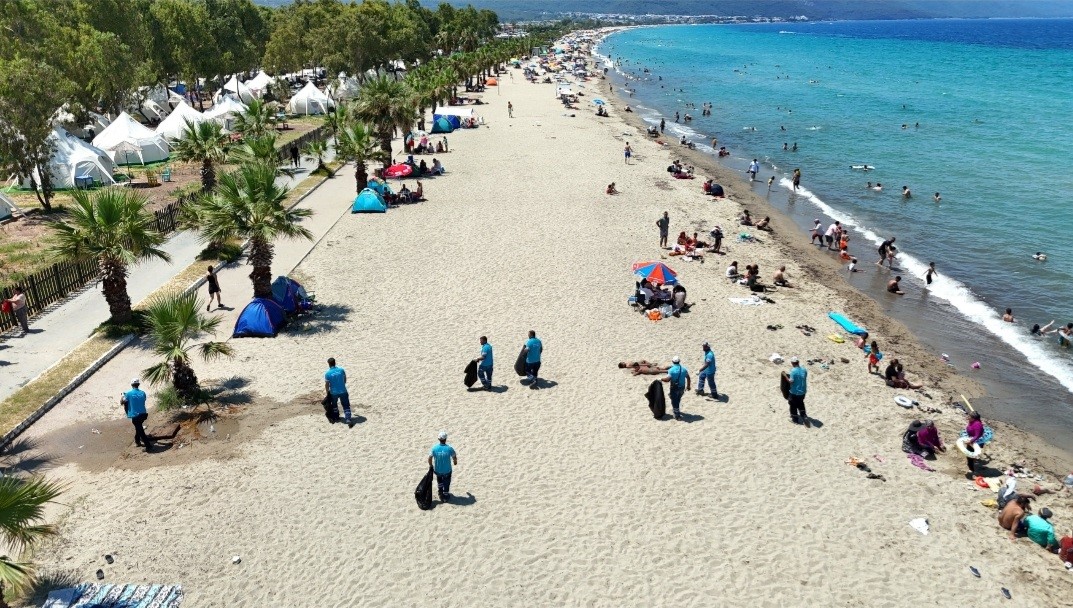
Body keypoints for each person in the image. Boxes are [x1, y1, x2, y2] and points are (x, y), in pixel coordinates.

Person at [122, 378, 152, 451]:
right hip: (143, 414)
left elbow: (122, 402)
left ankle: (148, 446)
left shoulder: (128, 394)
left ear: (131, 385)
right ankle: (137, 441)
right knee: (138, 428)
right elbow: (142, 400)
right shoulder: (143, 393)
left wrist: (123, 396)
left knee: (141, 431)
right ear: (138, 384)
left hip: (135, 416)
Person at [428, 431, 458, 502]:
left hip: (438, 470)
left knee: (439, 481)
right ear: (445, 439)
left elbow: (429, 458)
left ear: (439, 439)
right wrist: (455, 462)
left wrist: (431, 465)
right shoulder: (449, 448)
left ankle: (440, 492)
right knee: (447, 482)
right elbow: (454, 457)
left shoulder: (434, 448)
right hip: (447, 470)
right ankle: (445, 494)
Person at [324, 357, 353, 427]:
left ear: (329, 364)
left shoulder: (327, 373)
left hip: (333, 392)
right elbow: (345, 380)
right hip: (343, 390)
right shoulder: (341, 370)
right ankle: (348, 419)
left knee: (334, 405)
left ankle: (337, 417)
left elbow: (327, 384)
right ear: (335, 362)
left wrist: (327, 392)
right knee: (346, 405)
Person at [662, 356, 691, 421]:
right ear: (679, 361)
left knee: (674, 401)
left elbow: (667, 379)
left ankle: (677, 415)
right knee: (678, 399)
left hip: (674, 388)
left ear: (672, 362)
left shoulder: (671, 370)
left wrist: (662, 379)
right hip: (682, 387)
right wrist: (688, 386)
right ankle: (676, 408)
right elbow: (688, 378)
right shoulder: (684, 369)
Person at [784, 357, 809, 426]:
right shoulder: (804, 369)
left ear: (792, 363)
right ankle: (804, 415)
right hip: (803, 391)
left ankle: (795, 419)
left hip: (794, 392)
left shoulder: (793, 371)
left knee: (792, 405)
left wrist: (785, 376)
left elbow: (791, 382)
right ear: (798, 362)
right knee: (800, 403)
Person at [964, 411, 985, 476]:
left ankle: (971, 469)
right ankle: (974, 460)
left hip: (976, 441)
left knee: (969, 455)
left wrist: (970, 441)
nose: (968, 416)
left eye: (969, 416)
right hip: (971, 439)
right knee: (971, 454)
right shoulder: (971, 421)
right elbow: (970, 427)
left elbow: (977, 435)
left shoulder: (977, 424)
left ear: (973, 418)